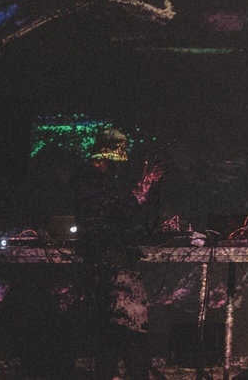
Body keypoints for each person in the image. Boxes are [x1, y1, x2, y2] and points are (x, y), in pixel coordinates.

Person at [72, 127, 165, 380]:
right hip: (110, 263)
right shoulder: (93, 179)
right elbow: (119, 212)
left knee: (112, 334)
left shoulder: (91, 178)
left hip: (105, 260)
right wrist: (145, 184)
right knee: (132, 330)